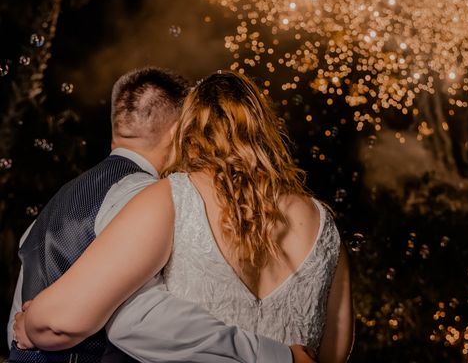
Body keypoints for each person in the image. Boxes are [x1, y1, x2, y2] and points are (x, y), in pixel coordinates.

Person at [14, 71, 353, 363]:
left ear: (187, 132)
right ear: (266, 130)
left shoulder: (170, 198)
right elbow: (334, 352)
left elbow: (64, 320)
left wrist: (31, 322)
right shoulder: (322, 222)